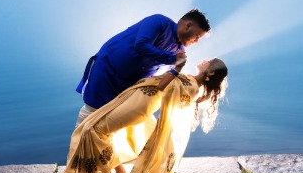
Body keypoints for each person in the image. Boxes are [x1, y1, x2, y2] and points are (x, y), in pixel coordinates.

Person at [38, 57, 228, 173]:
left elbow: (162, 87)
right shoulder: (192, 82)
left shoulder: (193, 87)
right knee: (96, 130)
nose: (204, 60)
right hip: (136, 100)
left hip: (141, 105)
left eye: (208, 62)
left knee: (94, 131)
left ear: (210, 73)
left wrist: (177, 67)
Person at [75, 9, 211, 125]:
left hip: (129, 87)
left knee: (110, 123)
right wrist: (173, 59)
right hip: (107, 70)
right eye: (197, 36)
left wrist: (194, 95)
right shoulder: (159, 22)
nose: (196, 41)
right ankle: (76, 154)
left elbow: (165, 79)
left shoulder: (180, 51)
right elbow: (141, 45)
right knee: (90, 114)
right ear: (187, 26)